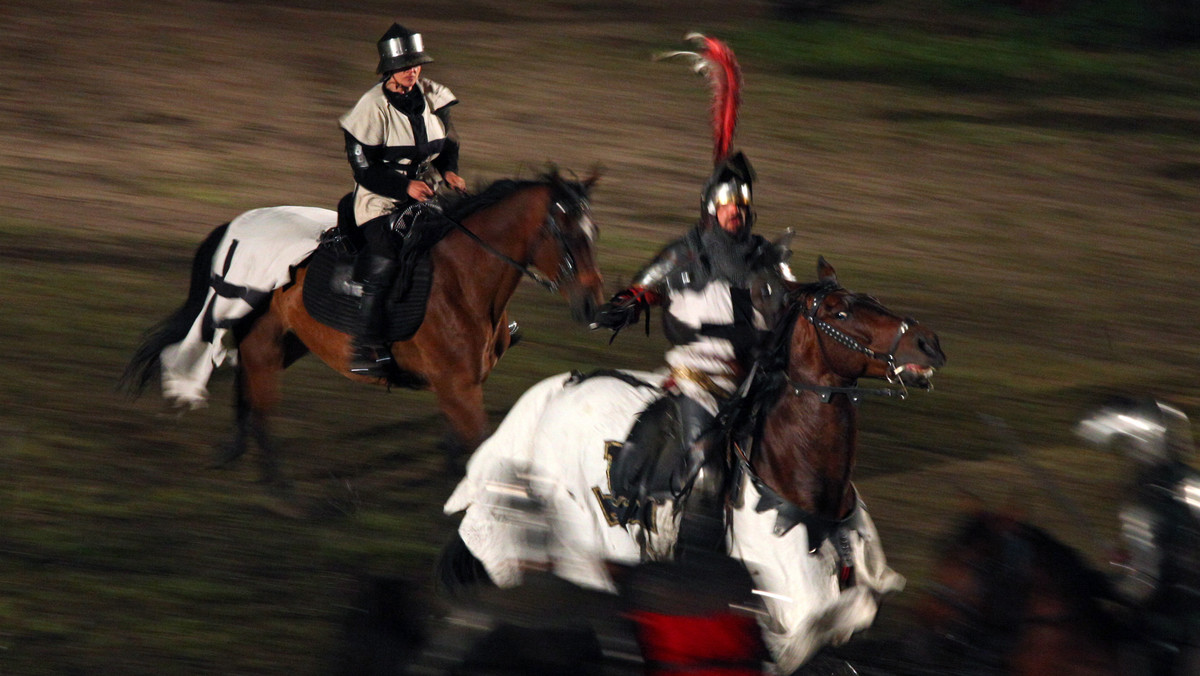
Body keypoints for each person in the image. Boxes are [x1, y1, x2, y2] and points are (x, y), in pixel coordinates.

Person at [338, 22, 467, 375]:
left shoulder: (432, 94)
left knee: (467, 237)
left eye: (416, 64)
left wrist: (449, 171)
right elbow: (363, 169)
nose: (413, 71)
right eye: (405, 67)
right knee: (387, 256)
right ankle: (365, 344)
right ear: (389, 70)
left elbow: (447, 144)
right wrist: (403, 188)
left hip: (427, 192)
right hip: (380, 199)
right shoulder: (371, 107)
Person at [1076, 395, 1200, 675]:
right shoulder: (1192, 482)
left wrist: (1096, 583)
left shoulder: (1143, 500)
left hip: (1166, 623)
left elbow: (1143, 583)